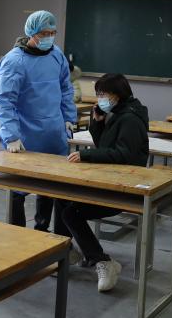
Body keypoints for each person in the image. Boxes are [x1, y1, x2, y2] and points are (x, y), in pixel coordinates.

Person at [62, 74, 148, 292]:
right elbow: (105, 146)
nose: (99, 98)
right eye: (98, 93)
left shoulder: (130, 119)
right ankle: (67, 251)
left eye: (103, 94)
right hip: (109, 181)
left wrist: (86, 155)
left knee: (71, 212)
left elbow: (123, 155)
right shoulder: (117, 114)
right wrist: (98, 123)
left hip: (124, 189)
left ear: (117, 95)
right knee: (61, 198)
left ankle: (103, 262)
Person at [0, 10, 77, 233]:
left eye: (52, 33)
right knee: (19, 188)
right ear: (32, 33)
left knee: (51, 185)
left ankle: (44, 232)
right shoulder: (14, 61)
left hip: (54, 133)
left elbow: (66, 88)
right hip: (25, 136)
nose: (49, 37)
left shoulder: (56, 55)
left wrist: (69, 118)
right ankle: (17, 236)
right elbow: (4, 101)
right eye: (44, 33)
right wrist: (11, 135)